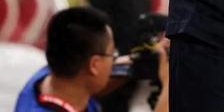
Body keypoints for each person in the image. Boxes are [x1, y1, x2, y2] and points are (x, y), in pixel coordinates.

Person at [14, 6, 168, 112]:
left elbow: (94, 78)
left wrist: (143, 62)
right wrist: (168, 86)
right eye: (112, 54)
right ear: (94, 65)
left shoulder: (47, 77)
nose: (115, 61)